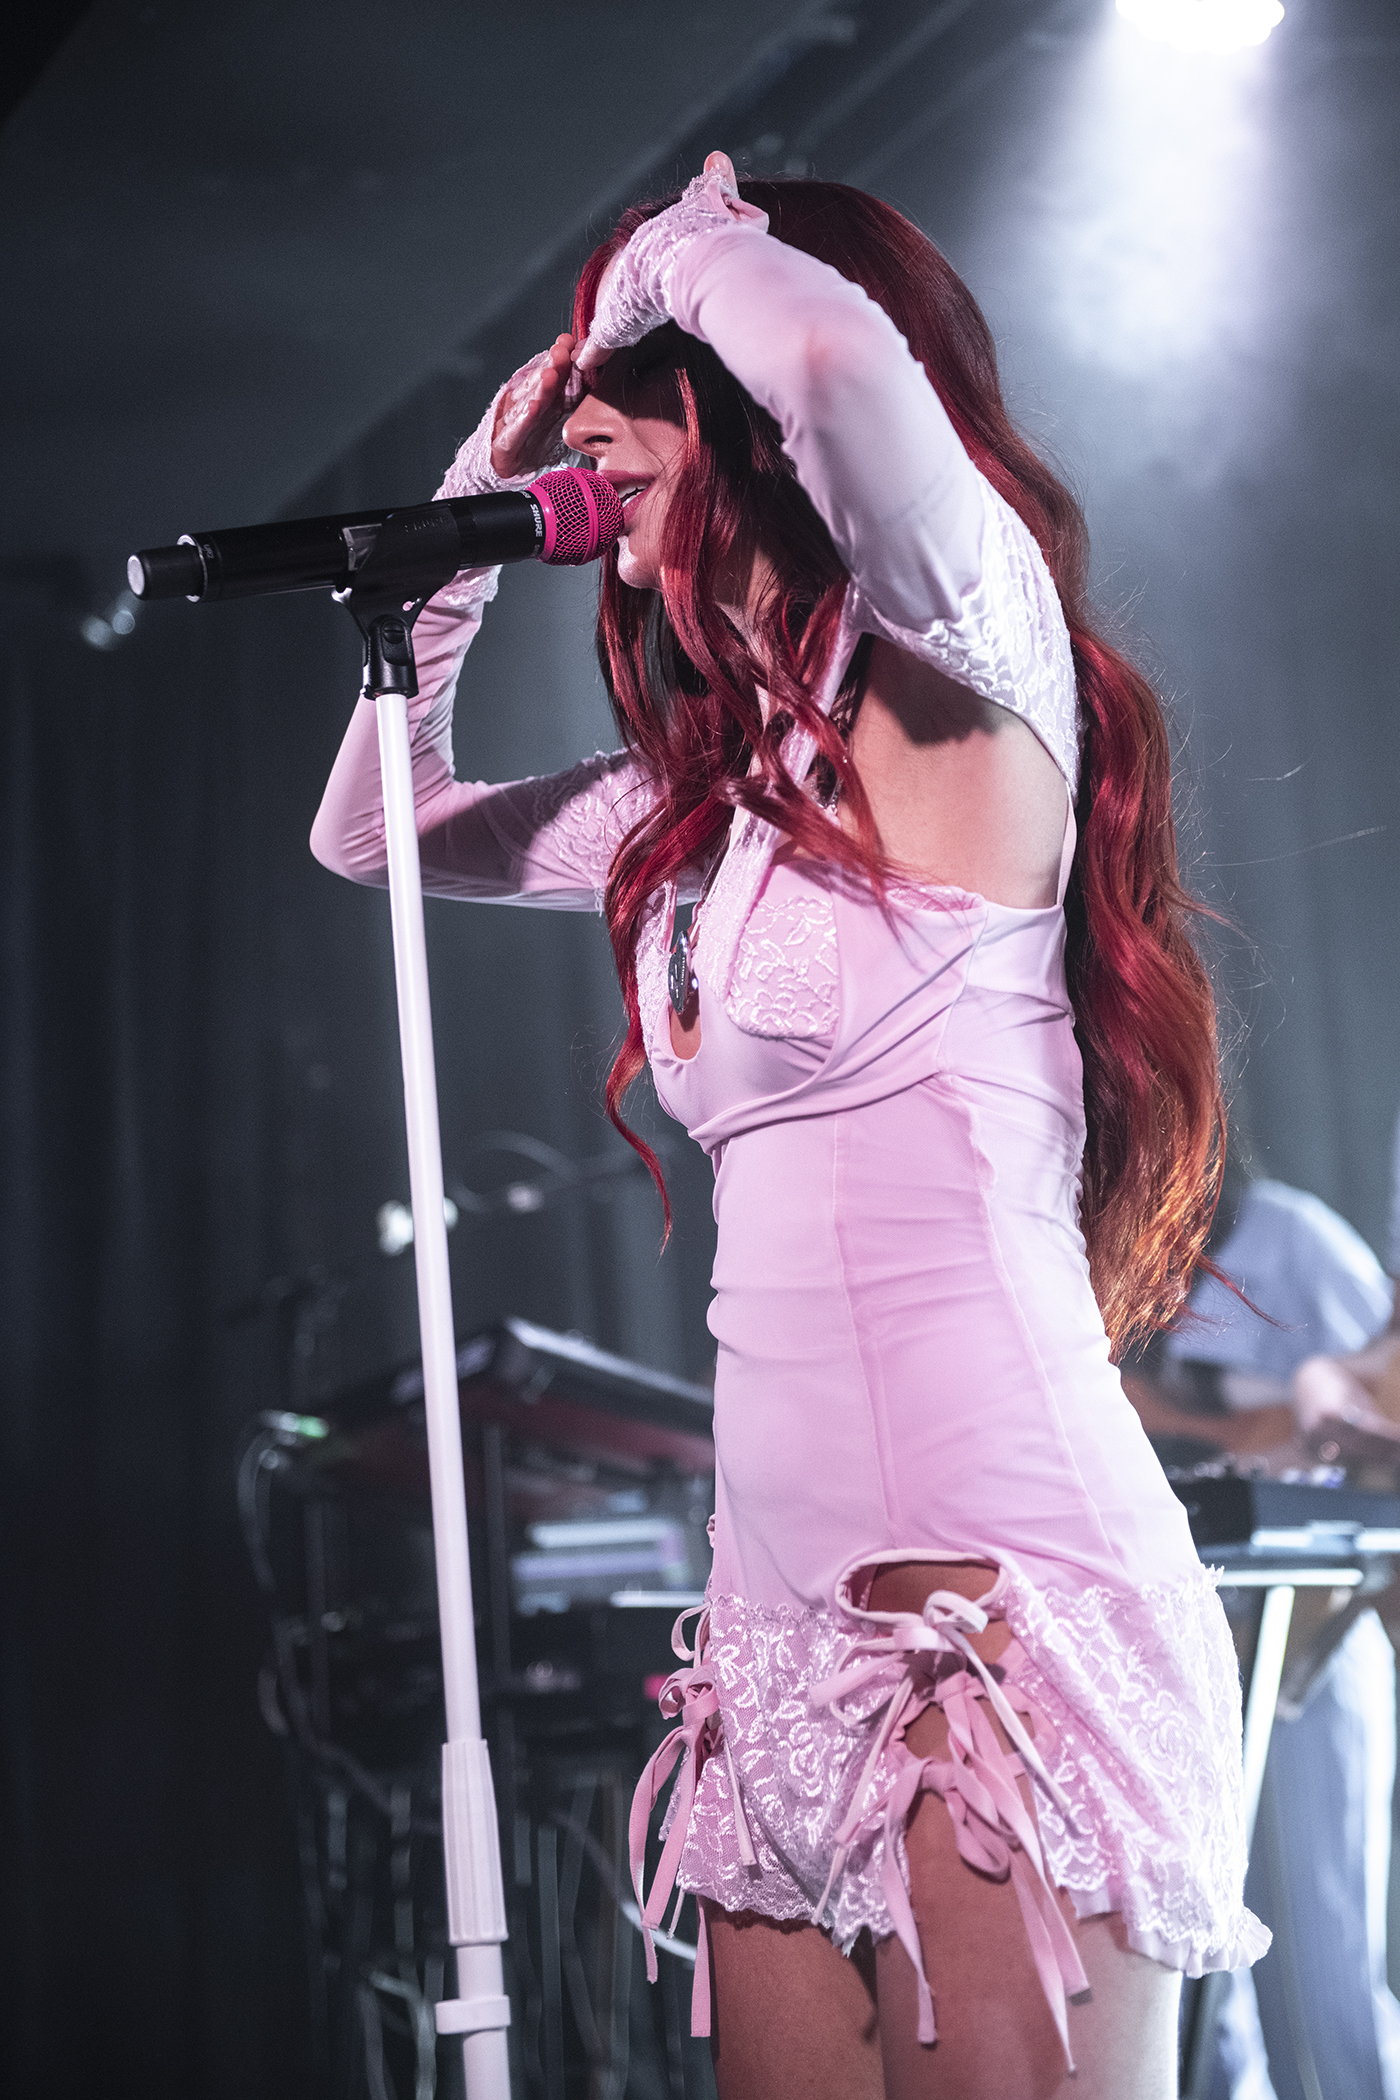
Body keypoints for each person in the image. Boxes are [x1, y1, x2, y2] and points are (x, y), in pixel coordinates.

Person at [312, 155, 1267, 2098]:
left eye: (627, 388)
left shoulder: (972, 661)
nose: (586, 425)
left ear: (736, 392)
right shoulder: (705, 805)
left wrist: (686, 253)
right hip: (779, 1641)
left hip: (1002, 1619)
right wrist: (469, 506)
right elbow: (371, 834)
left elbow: (836, 377)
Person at [1124, 1149, 1398, 2100]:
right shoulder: (1115, 1260)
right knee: (1214, 1981)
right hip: (1176, 1640)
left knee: (1322, 1975)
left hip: (1311, 1637)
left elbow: (1375, 1419)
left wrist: (1247, 1432)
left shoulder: (1291, 1238)